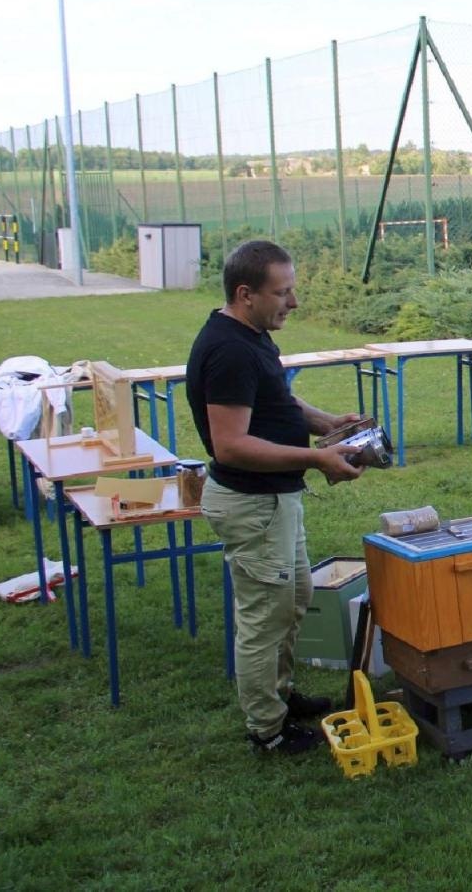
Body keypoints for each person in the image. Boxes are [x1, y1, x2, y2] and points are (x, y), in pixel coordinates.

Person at [186, 240, 367, 756]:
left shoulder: (252, 335)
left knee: (292, 602)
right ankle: (267, 729)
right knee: (265, 617)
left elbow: (277, 398)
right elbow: (231, 444)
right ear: (245, 294)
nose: (293, 302)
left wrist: (326, 423)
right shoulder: (229, 351)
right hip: (252, 504)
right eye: (282, 292)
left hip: (275, 500)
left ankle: (280, 696)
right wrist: (316, 458)